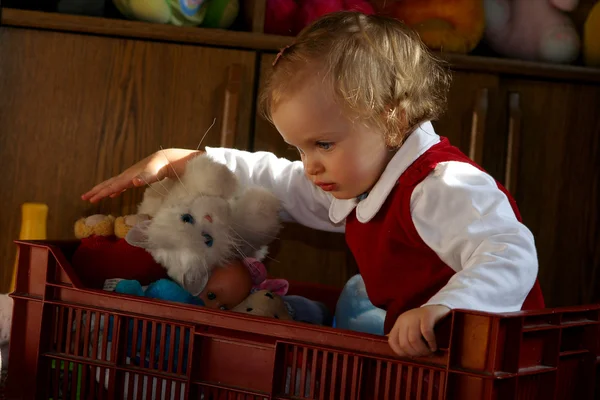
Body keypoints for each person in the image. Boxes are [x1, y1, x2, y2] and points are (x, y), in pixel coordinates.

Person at [82, 11, 545, 358]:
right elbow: (281, 180)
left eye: (323, 144)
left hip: (500, 363)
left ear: (393, 121)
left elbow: (510, 250)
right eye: (302, 149)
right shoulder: (361, 178)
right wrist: (187, 160)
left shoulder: (442, 183)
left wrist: (446, 308)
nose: (310, 166)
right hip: (434, 360)